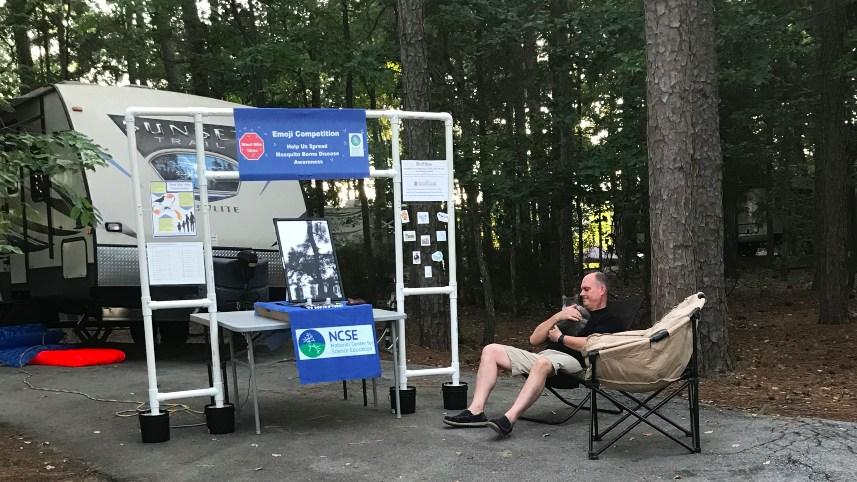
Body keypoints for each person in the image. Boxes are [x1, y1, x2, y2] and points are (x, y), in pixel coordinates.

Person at [443, 271, 626, 437]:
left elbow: (595, 344)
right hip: (546, 356)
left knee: (543, 363)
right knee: (490, 350)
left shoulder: (611, 320)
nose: (582, 293)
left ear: (602, 290)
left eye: (586, 289)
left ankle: (509, 419)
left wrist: (560, 338)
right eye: (581, 289)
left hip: (576, 366)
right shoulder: (574, 313)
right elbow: (534, 339)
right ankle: (476, 411)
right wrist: (557, 317)